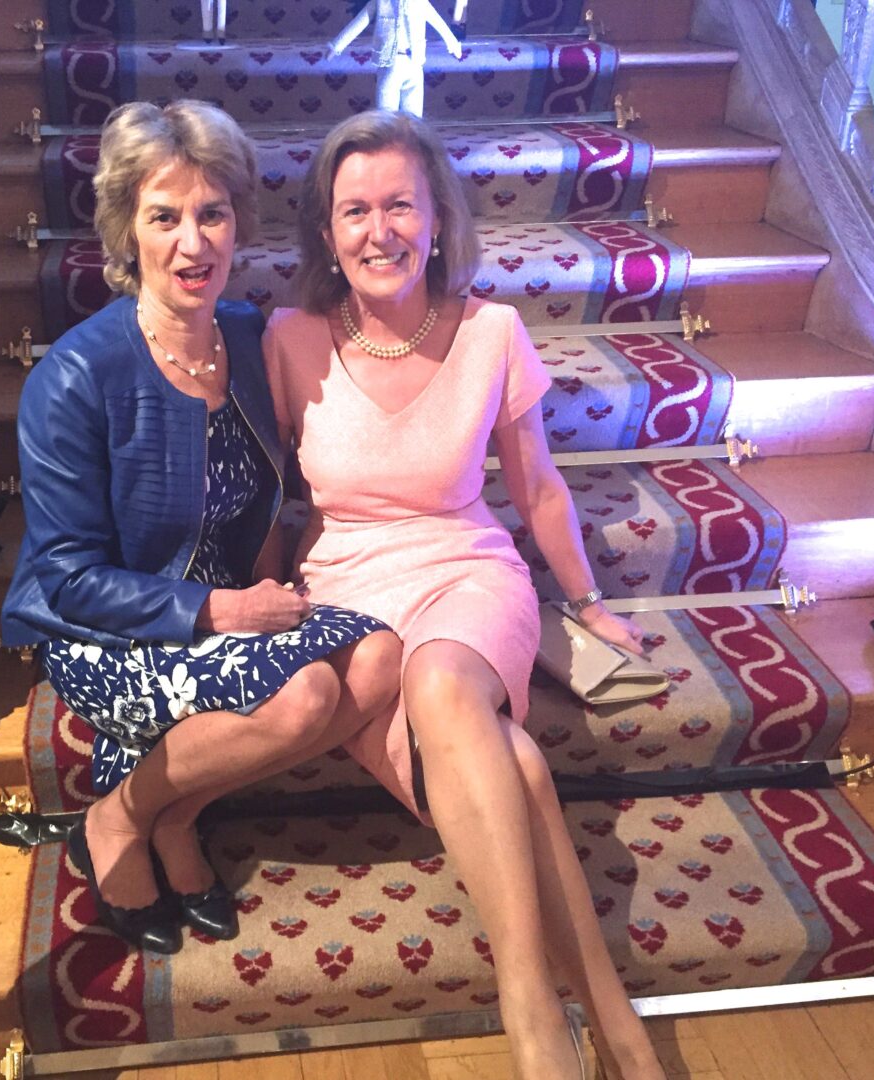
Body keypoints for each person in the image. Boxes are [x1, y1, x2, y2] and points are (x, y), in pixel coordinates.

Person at [263, 110, 666, 1080]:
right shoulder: (288, 337)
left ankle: (527, 1005)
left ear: (438, 217)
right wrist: (249, 600)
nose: (380, 231)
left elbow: (539, 489)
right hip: (346, 593)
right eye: (354, 210)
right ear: (327, 232)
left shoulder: (493, 332)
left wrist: (588, 602)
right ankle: (617, 1029)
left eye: (400, 205)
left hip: (468, 573)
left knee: (443, 683)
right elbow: (264, 493)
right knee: (515, 764)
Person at [1, 100, 401, 956]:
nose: (194, 243)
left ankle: (175, 812)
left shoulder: (248, 339)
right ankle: (116, 819)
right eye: (164, 217)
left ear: (238, 221)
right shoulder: (75, 377)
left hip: (225, 609)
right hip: (107, 630)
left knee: (378, 660)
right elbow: (67, 579)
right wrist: (222, 611)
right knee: (306, 694)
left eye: (212, 213)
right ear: (126, 230)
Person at [328, 0, 463, 117]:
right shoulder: (382, 2)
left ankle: (410, 138)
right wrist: (336, 46)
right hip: (391, 63)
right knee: (387, 116)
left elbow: (438, 23)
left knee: (411, 116)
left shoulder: (419, 2)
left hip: (413, 64)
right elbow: (360, 22)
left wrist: (453, 45)